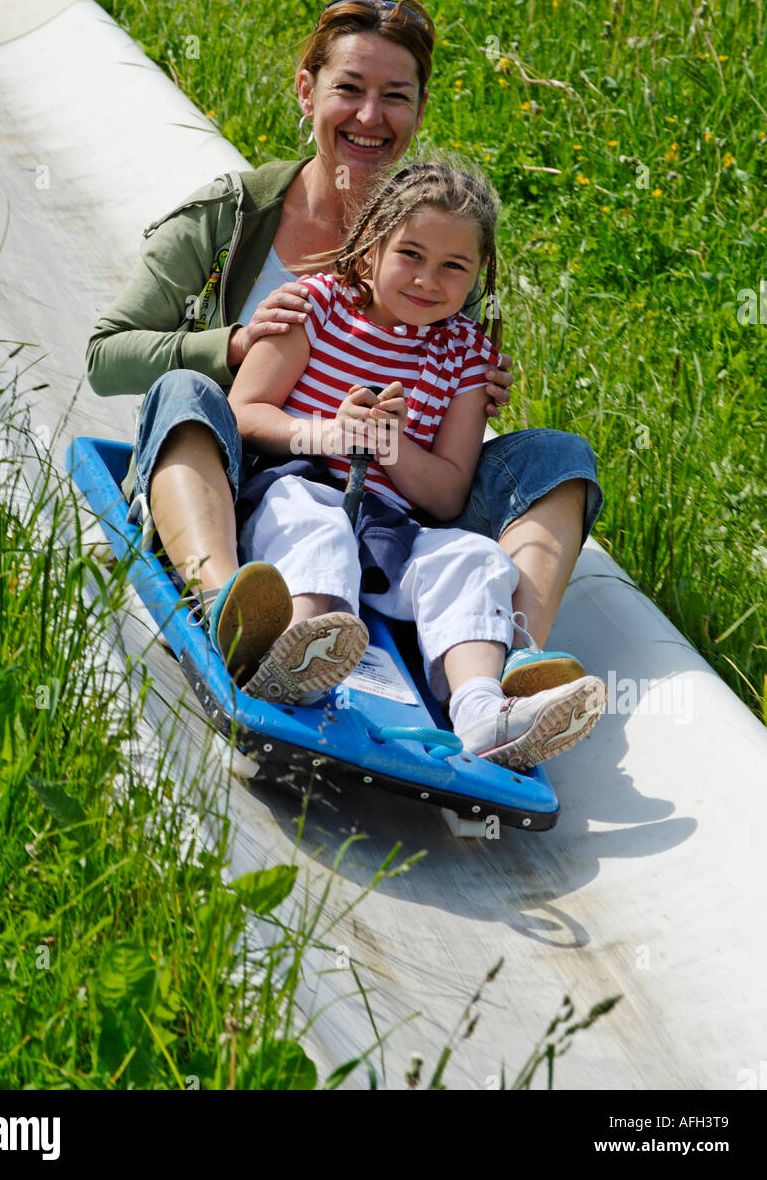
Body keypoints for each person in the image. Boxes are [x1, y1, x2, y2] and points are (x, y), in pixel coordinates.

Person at [85, 0, 602, 693]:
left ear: (418, 110)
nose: (369, 117)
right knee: (187, 394)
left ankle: (506, 664)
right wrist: (237, 344)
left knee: (557, 458)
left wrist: (474, 390)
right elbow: (106, 355)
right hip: (247, 473)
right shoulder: (232, 216)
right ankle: (235, 608)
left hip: (389, 496)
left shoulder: (444, 239)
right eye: (349, 90)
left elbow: (438, 404)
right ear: (307, 90)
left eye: (395, 96)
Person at [227, 161, 606, 766]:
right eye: (410, 254)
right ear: (372, 246)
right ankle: (293, 649)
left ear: (479, 274)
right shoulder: (317, 306)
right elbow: (242, 412)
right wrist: (327, 432)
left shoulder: (467, 358)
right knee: (318, 521)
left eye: (454, 266)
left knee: (474, 556)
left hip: (390, 532)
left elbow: (448, 497)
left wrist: (393, 448)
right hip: (290, 492)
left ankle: (483, 712)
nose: (429, 280)